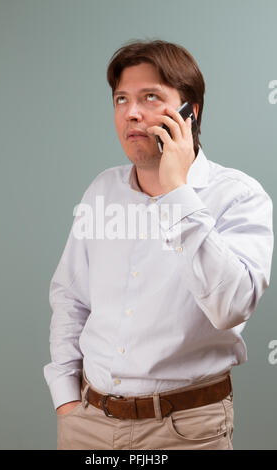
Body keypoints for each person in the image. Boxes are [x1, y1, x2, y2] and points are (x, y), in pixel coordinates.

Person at [43, 39, 274, 450]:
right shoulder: (101, 191)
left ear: (190, 112)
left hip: (186, 431)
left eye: (150, 97)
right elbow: (70, 298)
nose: (131, 112)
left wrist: (175, 191)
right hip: (87, 425)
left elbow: (231, 306)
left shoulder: (239, 196)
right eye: (121, 99)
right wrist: (65, 399)